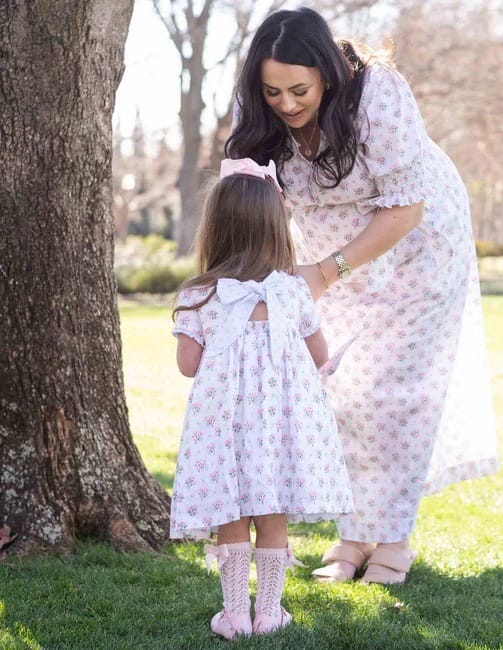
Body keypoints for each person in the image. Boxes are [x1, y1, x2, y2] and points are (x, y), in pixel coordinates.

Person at [226, 7, 498, 585]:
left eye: (299, 89)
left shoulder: (379, 94)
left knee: (397, 397)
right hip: (328, 256)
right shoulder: (259, 106)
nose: (287, 103)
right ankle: (351, 540)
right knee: (344, 392)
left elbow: (406, 206)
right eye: (273, 91)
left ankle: (393, 541)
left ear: (328, 72)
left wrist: (327, 271)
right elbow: (246, 200)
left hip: (417, 246)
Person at [170, 158, 354, 639]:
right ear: (277, 227)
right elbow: (320, 354)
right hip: (278, 431)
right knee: (272, 515)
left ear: (216, 229)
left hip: (225, 431)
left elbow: (188, 364)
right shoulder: (293, 293)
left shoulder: (202, 295)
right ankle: (269, 612)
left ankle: (234, 615)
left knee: (232, 515)